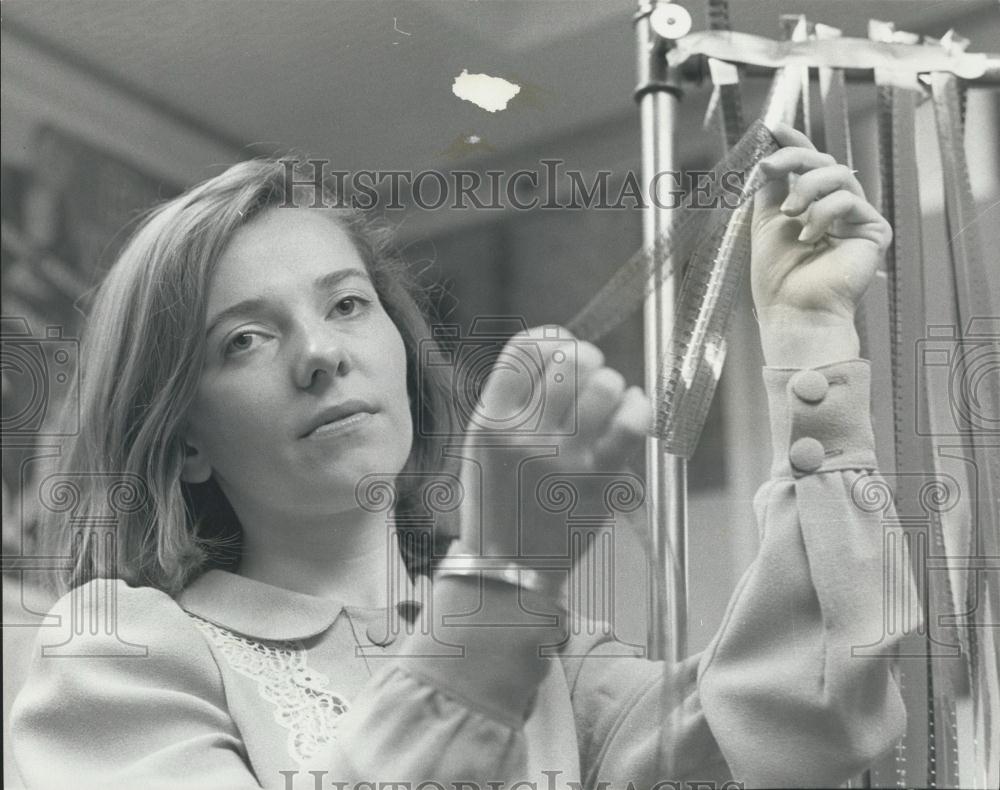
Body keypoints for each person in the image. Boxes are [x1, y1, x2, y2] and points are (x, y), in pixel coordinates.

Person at [10, 124, 906, 790]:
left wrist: (811, 338)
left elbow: (809, 718)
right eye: (244, 339)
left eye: (348, 305)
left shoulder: (561, 667)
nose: (320, 352)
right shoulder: (121, 653)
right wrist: (501, 583)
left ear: (400, 346)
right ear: (186, 441)